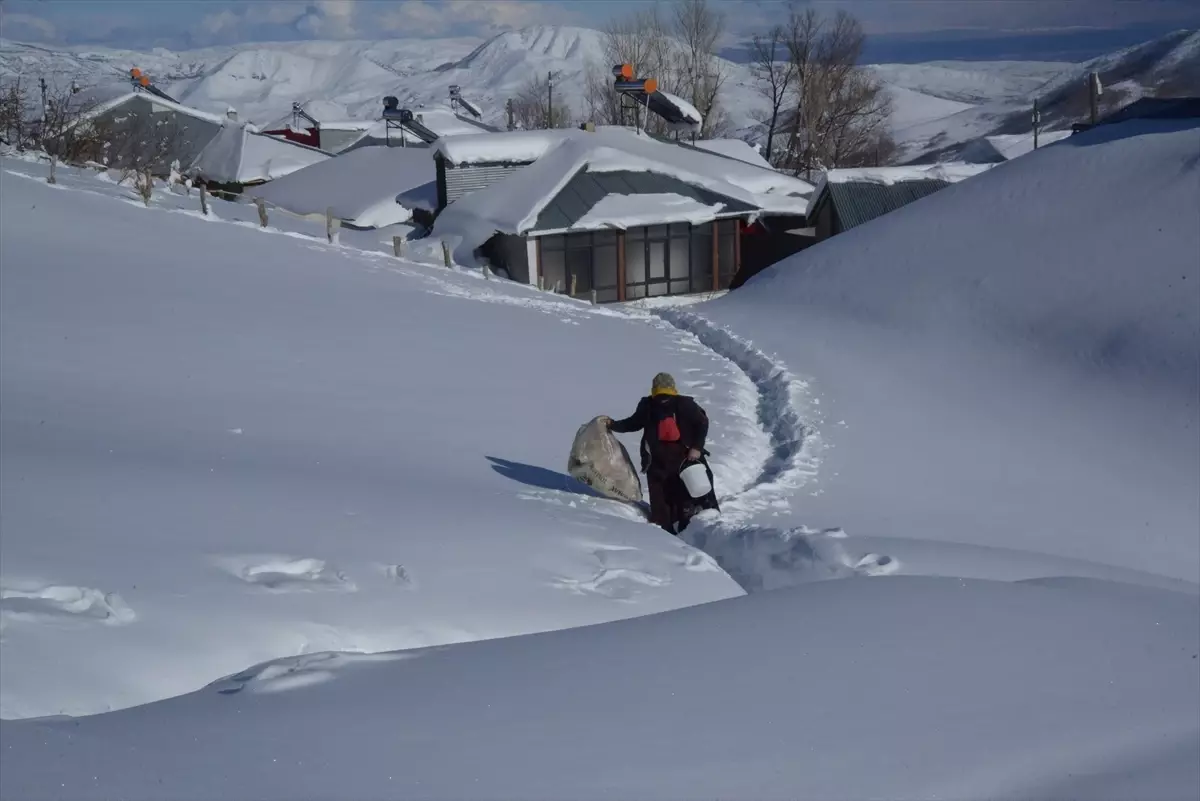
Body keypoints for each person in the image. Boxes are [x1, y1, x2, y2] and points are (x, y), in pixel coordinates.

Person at [603, 372, 716, 534]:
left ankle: (691, 536)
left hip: (684, 460)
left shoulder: (684, 404)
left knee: (686, 501)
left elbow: (702, 424)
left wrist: (697, 447)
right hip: (657, 461)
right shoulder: (648, 405)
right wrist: (613, 425)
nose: (663, 399)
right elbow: (633, 423)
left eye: (666, 394)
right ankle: (664, 541)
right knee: (662, 505)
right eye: (660, 394)